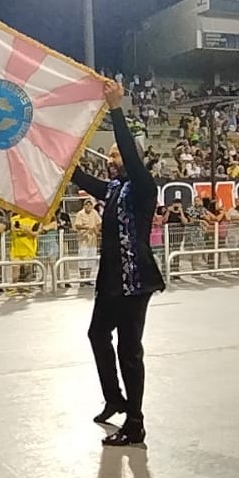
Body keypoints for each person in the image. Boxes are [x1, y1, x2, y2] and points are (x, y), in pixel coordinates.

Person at [70, 80, 165, 447]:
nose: (110, 160)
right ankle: (114, 398)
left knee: (129, 350)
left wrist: (115, 109)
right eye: (108, 156)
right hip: (110, 283)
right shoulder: (112, 190)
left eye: (115, 156)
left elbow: (128, 149)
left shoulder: (143, 187)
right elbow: (77, 175)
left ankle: (136, 421)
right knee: (97, 335)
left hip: (134, 282)